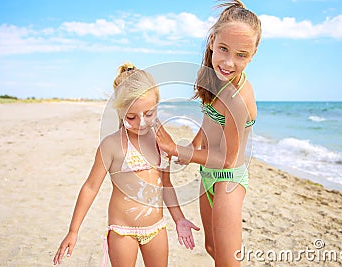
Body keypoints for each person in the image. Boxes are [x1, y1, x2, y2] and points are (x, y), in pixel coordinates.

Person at [53, 63, 200, 267]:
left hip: (156, 228)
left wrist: (179, 219)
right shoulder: (111, 145)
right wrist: (73, 230)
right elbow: (90, 187)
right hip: (123, 231)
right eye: (131, 117)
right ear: (120, 112)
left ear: (157, 104)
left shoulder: (161, 138)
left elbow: (166, 184)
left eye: (149, 114)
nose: (141, 122)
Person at [155, 1, 261, 266]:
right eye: (223, 49)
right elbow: (209, 120)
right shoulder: (214, 79)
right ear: (212, 40)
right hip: (208, 175)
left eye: (241, 55)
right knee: (212, 246)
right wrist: (193, 143)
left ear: (253, 54)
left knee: (227, 260)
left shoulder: (239, 98)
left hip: (228, 180)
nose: (228, 62)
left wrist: (178, 150)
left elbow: (226, 159)